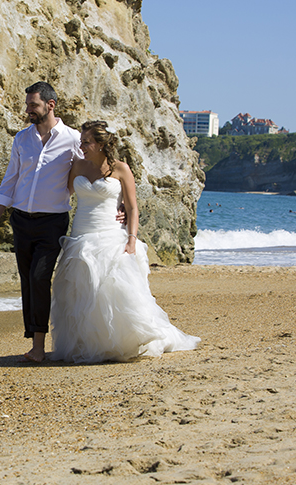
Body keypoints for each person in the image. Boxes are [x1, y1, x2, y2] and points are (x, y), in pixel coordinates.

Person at [50, 120, 199, 363]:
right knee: (80, 292)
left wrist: (131, 239)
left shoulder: (121, 169)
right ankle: (89, 344)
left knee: (112, 290)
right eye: (81, 142)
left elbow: (132, 207)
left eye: (86, 142)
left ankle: (120, 342)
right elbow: (62, 193)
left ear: (100, 144)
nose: (82, 146)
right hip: (80, 236)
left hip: (111, 235)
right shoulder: (77, 165)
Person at [0, 82, 81, 363]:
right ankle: (35, 341)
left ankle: (39, 347)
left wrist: (119, 201)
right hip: (21, 221)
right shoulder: (22, 139)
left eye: (33, 105)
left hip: (53, 222)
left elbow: (93, 168)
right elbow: (9, 181)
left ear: (50, 105)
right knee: (27, 280)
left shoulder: (73, 138)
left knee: (39, 277)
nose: (28, 110)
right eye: (27, 105)